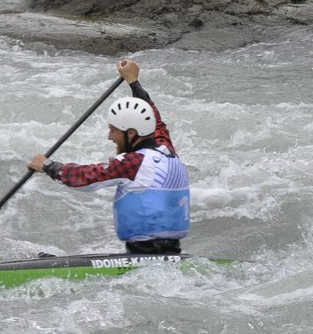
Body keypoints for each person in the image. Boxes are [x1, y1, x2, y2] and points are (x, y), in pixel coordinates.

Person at [27, 58, 190, 255]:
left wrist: (48, 166)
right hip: (170, 254)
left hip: (145, 256)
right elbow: (156, 121)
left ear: (131, 133)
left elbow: (86, 177)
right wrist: (133, 82)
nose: (109, 137)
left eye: (114, 130)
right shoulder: (167, 151)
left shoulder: (132, 163)